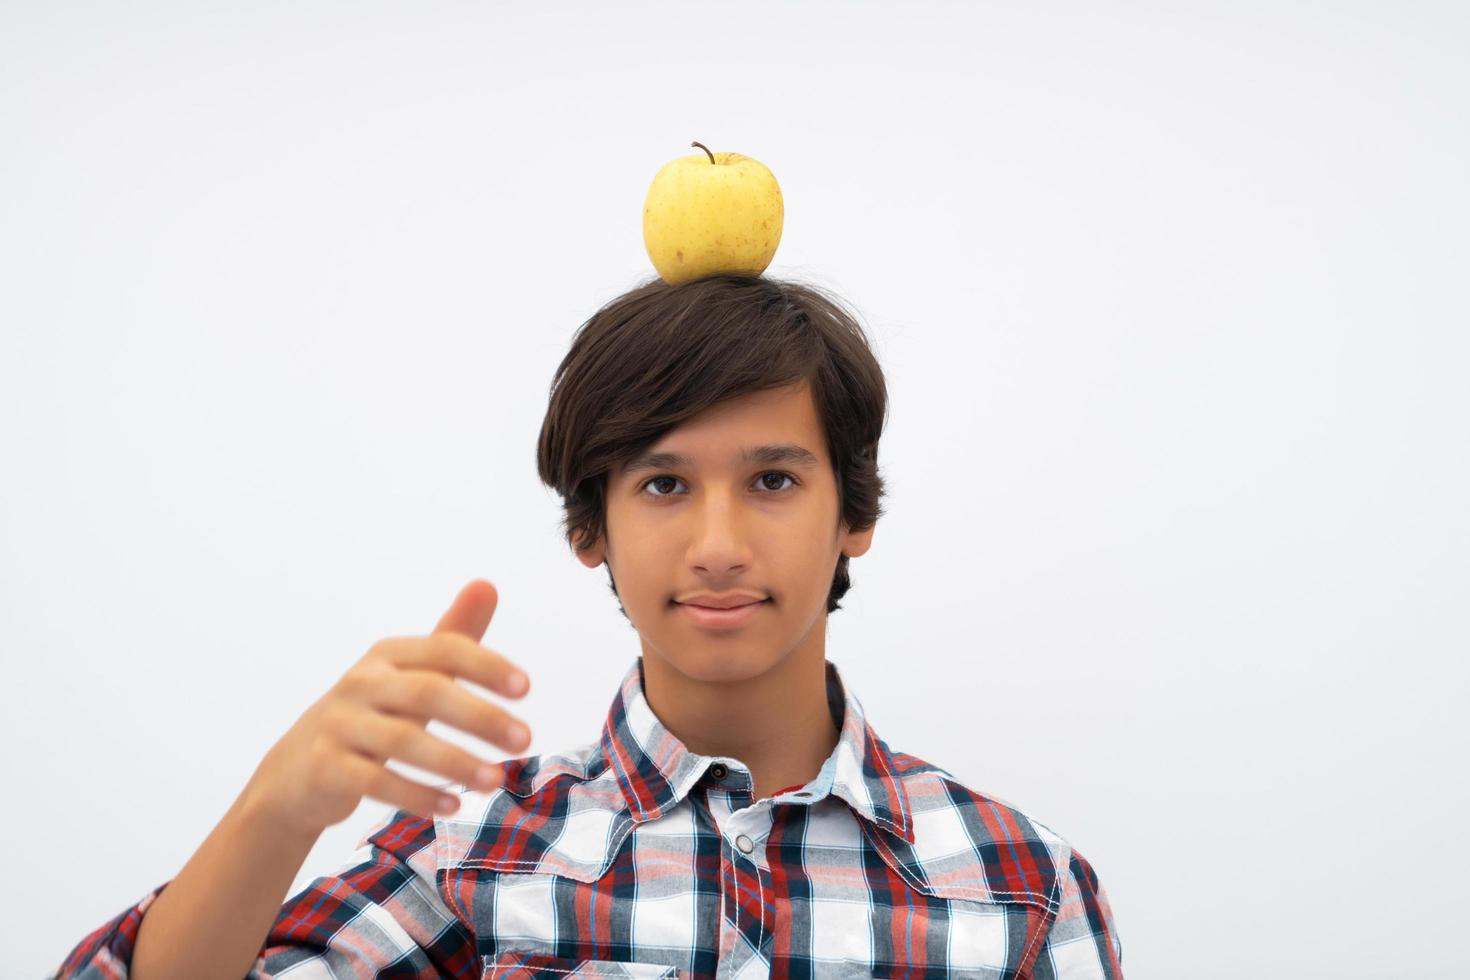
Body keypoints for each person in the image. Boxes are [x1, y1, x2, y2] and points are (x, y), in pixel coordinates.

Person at [53, 274, 1123, 979]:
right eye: (662, 482)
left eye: (772, 479)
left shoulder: (1022, 884)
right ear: (589, 527)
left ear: (854, 514)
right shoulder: (474, 857)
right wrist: (274, 810)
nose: (717, 542)